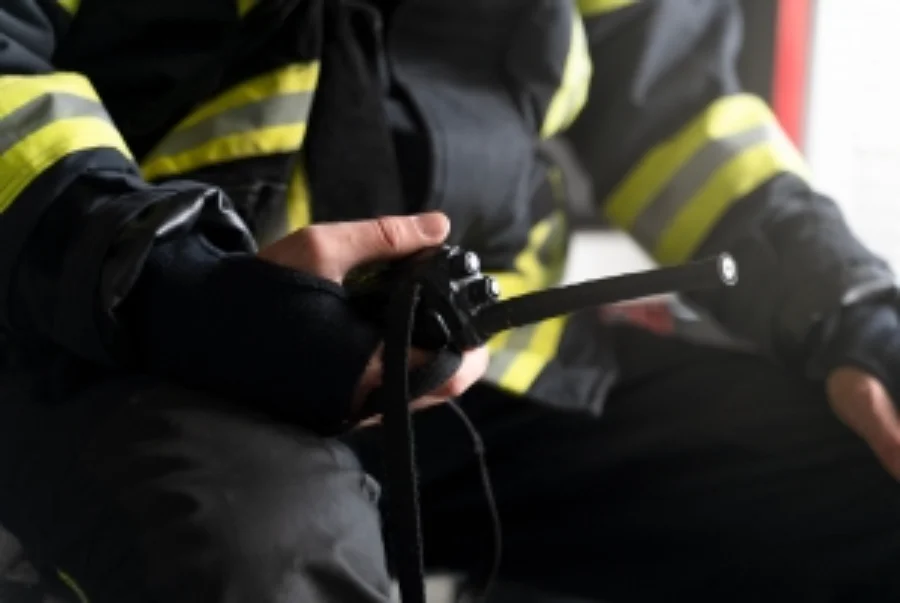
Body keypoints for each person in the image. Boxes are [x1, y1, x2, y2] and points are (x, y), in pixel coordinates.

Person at [1, 0, 900, 601]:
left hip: (499, 364)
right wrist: (168, 277)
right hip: (145, 344)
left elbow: (677, 110)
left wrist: (845, 300)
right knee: (264, 549)